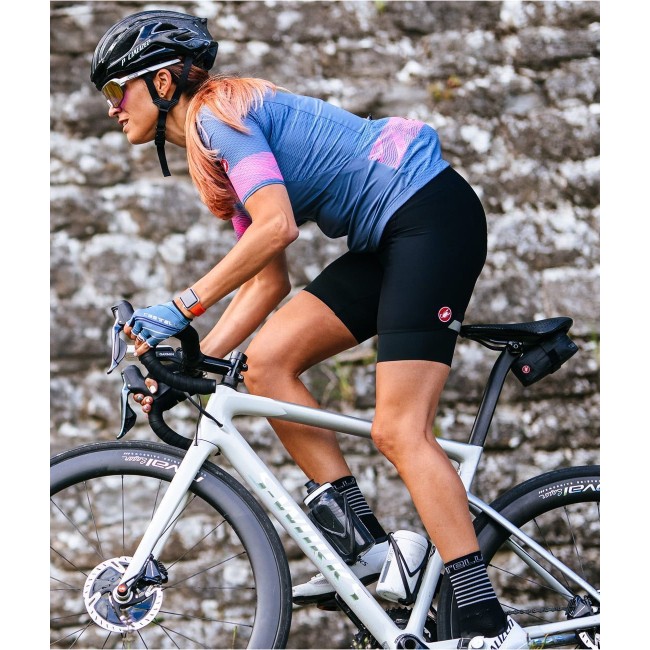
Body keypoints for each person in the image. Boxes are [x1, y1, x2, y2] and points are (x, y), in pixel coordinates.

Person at [90, 10, 527, 649]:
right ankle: (371, 553)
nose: (110, 108)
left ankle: (489, 624)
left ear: (161, 83)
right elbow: (267, 281)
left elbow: (277, 227)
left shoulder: (218, 117)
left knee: (398, 429)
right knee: (264, 366)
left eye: (115, 89)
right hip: (388, 238)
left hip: (430, 217)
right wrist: (188, 367)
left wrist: (181, 307)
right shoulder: (214, 158)